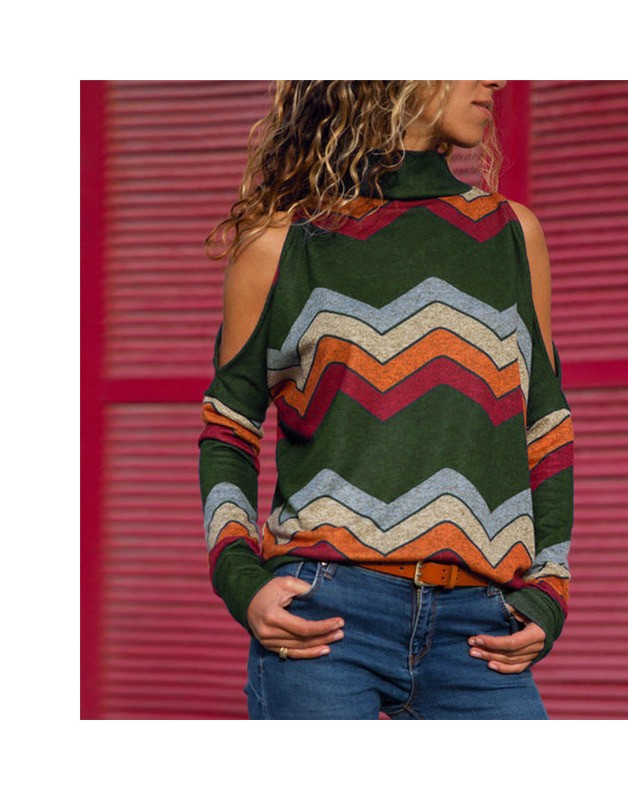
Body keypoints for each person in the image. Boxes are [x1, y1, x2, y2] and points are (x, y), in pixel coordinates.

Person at [198, 80, 574, 719]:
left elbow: (545, 422)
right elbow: (228, 430)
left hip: (480, 630)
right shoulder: (283, 242)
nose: (496, 77)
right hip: (324, 621)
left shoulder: (511, 234)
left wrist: (550, 587)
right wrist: (239, 579)